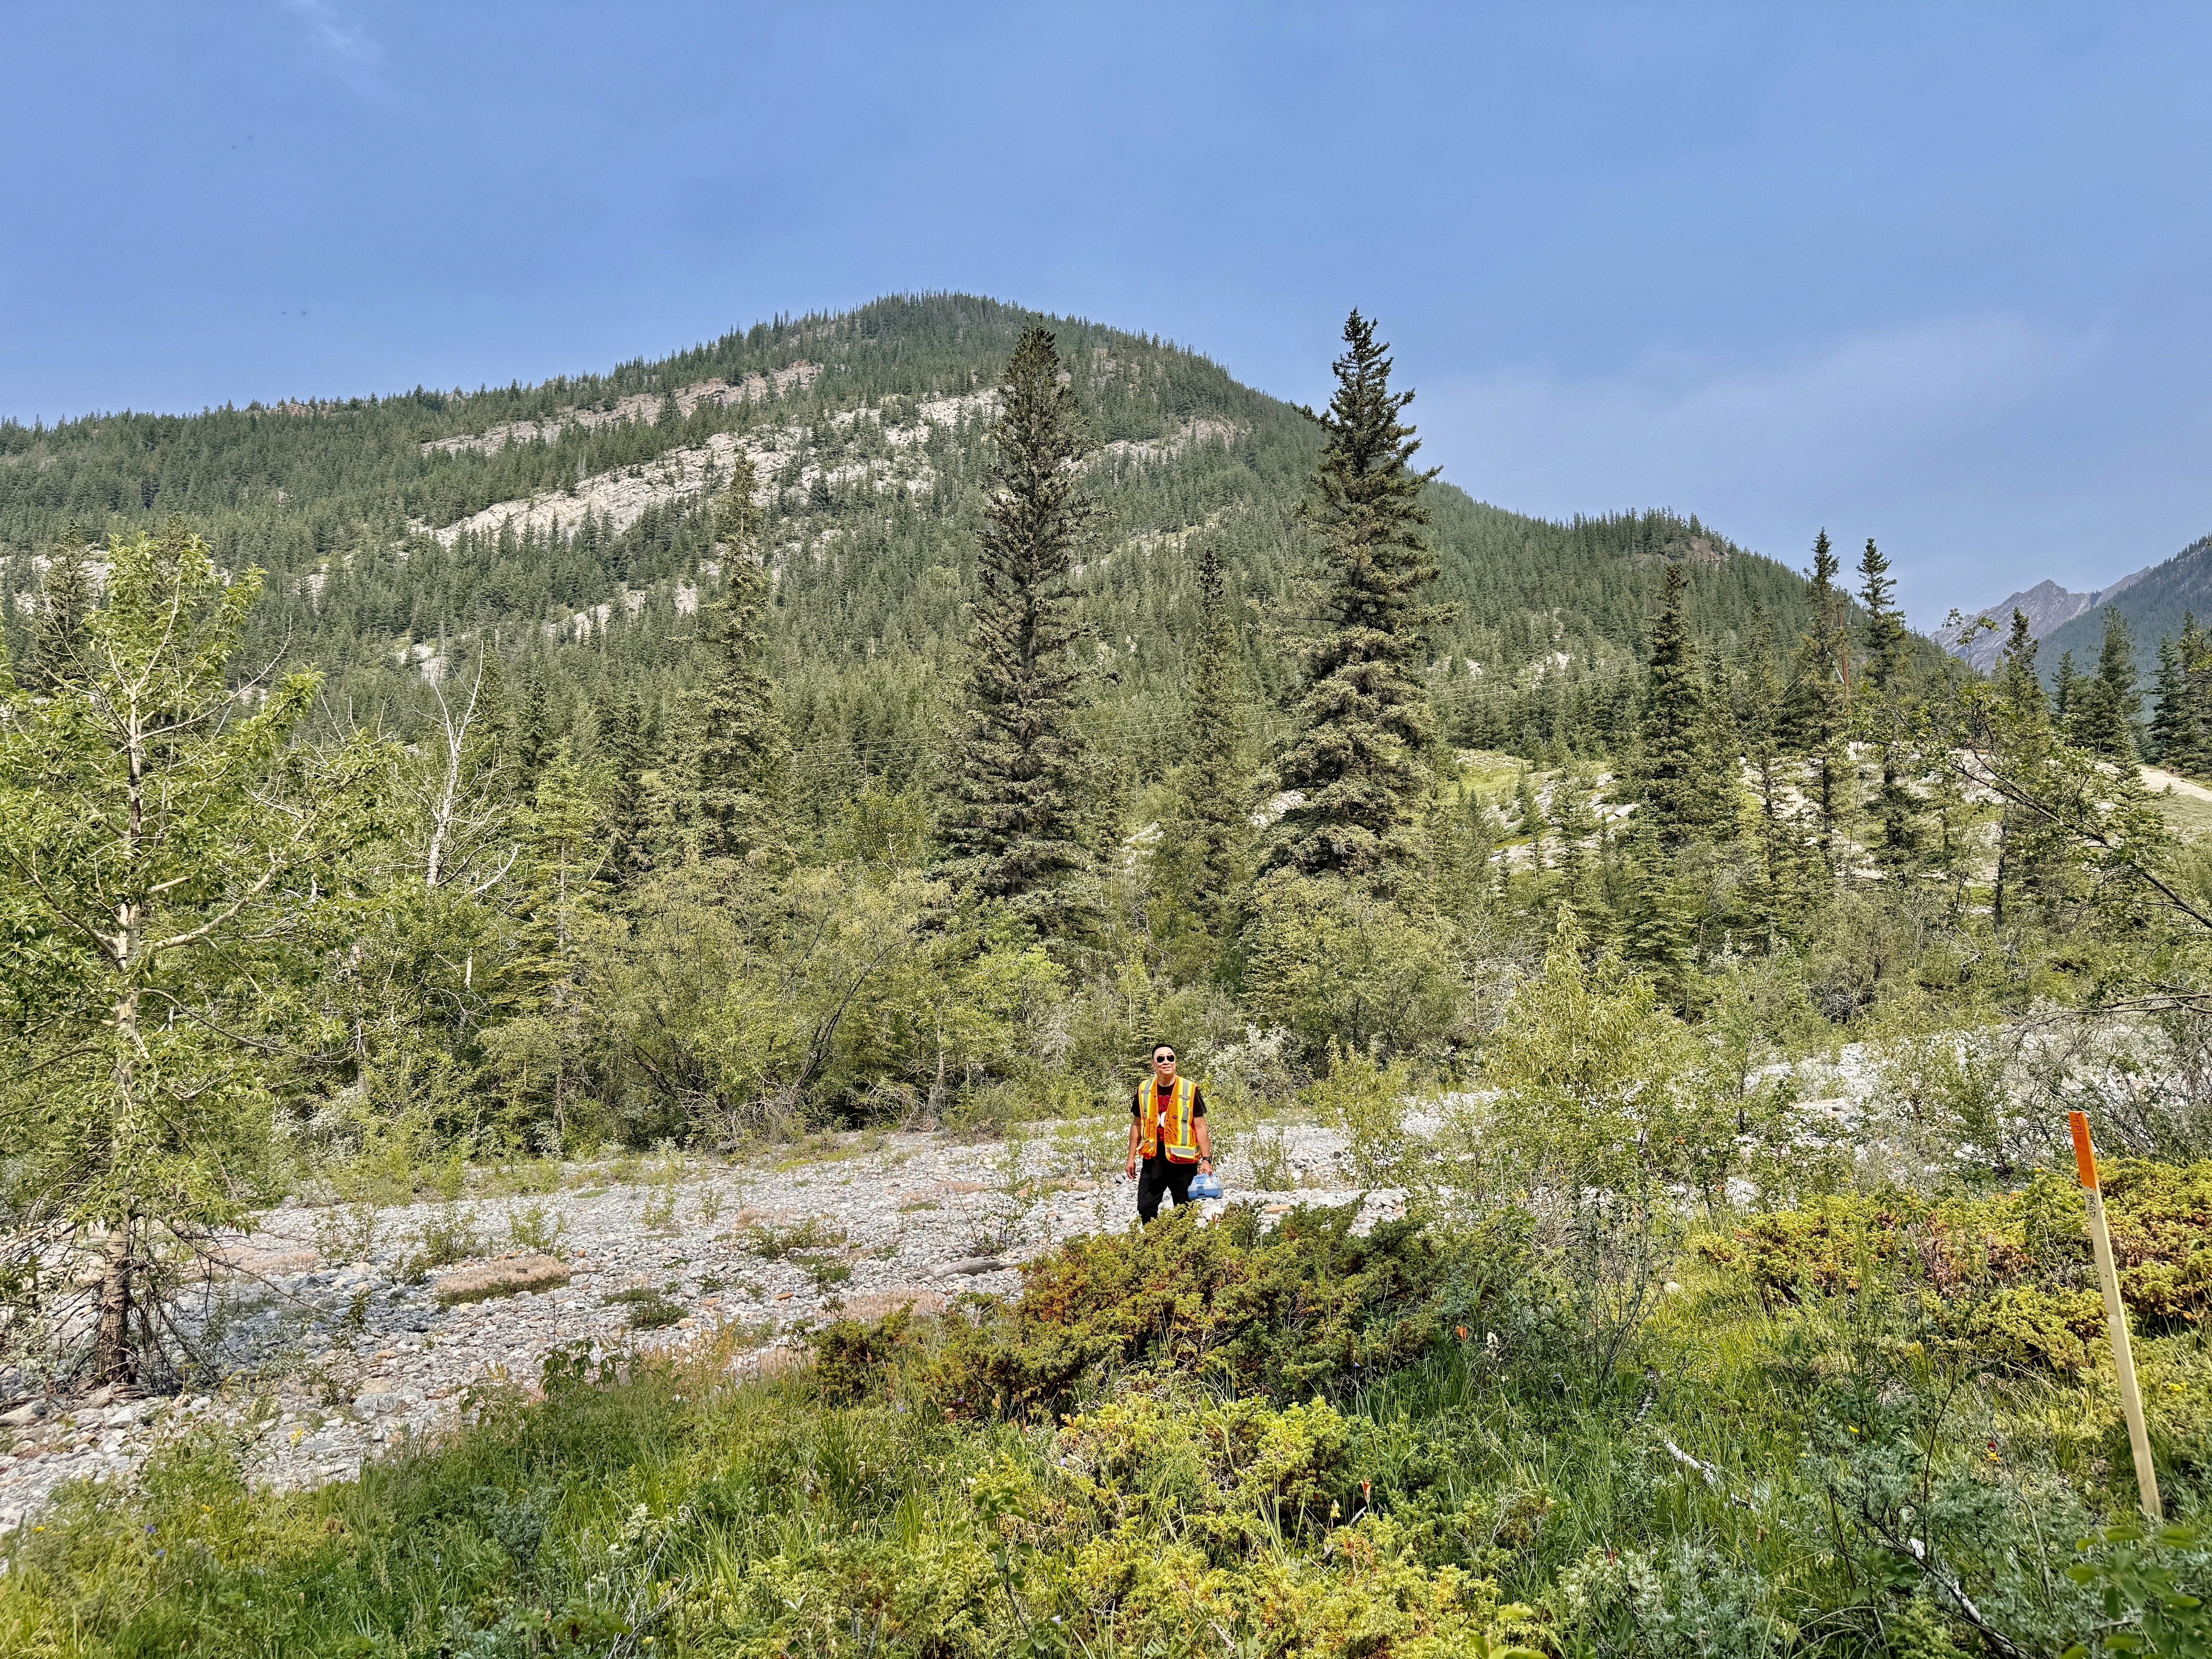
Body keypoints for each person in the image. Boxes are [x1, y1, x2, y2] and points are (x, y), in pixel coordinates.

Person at [1125, 1042, 1214, 1221]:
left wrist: (1207, 1160)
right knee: (1145, 1207)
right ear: (1154, 1064)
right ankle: (1155, 1242)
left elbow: (1201, 1126)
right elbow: (1136, 1124)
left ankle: (1182, 1246)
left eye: (1170, 1058)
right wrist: (1131, 1157)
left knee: (1184, 1211)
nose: (1166, 1062)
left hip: (1183, 1161)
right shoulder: (1144, 1089)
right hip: (1154, 1158)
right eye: (1161, 1059)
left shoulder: (1190, 1089)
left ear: (1175, 1061)